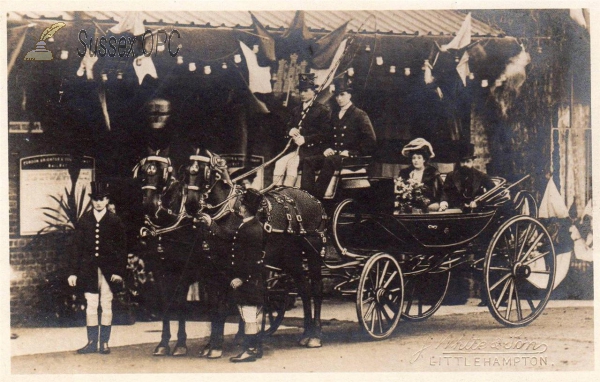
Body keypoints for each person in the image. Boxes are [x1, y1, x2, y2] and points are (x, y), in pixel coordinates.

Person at [197, 189, 266, 362]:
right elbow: (230, 236)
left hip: (248, 281)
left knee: (249, 315)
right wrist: (212, 223)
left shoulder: (252, 229)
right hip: (248, 280)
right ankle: (255, 348)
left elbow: (252, 259)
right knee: (248, 314)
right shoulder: (247, 225)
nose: (239, 208)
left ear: (246, 208)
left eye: (242, 205)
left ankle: (250, 350)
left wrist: (241, 278)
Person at [68, 181, 127, 354]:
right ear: (91, 201)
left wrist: (119, 272)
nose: (98, 202)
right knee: (91, 304)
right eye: (95, 199)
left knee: (106, 303)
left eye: (102, 199)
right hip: (89, 270)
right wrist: (73, 272)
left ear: (107, 200)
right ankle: (92, 342)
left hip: (108, 271)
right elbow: (76, 247)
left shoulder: (115, 221)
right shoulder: (84, 220)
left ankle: (105, 343)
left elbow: (122, 249)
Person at [301, 76, 376, 199]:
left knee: (330, 161)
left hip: (353, 158)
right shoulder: (335, 115)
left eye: (342, 95)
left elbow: (370, 141)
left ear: (350, 95)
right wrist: (327, 148)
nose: (339, 99)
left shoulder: (359, 115)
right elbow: (327, 136)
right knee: (309, 161)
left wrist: (352, 153)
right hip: (336, 156)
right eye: (337, 96)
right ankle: (306, 198)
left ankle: (317, 199)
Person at [273, 73, 332, 187]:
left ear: (314, 91)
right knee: (279, 163)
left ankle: (288, 194)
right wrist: (290, 131)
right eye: (301, 91)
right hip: (296, 150)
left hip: (313, 151)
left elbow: (325, 134)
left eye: (306, 90)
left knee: (292, 164)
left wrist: (306, 139)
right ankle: (277, 193)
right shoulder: (296, 110)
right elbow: (288, 127)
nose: (303, 94)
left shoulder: (322, 110)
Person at [440, 142, 496, 211]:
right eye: (462, 162)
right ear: (459, 162)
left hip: (476, 211)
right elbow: (445, 192)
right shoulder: (451, 176)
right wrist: (444, 202)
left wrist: (479, 202)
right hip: (457, 210)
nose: (465, 164)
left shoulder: (482, 176)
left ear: (472, 161)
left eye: (468, 161)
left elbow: (493, 192)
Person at [398, 138, 444, 212]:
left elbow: (441, 190)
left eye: (419, 158)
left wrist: (442, 203)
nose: (416, 161)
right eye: (414, 158)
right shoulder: (405, 173)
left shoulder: (432, 172)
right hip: (409, 205)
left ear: (424, 159)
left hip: (429, 205)